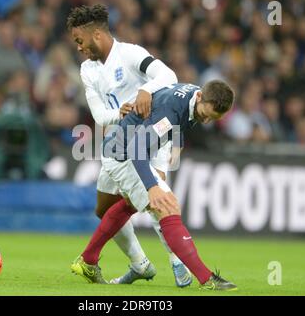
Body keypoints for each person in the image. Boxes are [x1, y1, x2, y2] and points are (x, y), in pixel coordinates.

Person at [67, 4, 192, 286]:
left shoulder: (131, 54)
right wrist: (121, 112)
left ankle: (179, 261)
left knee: (157, 196)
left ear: (96, 34)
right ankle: (140, 264)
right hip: (119, 142)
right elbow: (100, 115)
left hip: (154, 135)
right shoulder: (88, 70)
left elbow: (169, 76)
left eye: (79, 40)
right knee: (104, 208)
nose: (78, 47)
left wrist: (145, 90)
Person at [71, 80, 238, 291]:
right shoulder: (171, 111)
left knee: (131, 203)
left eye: (212, 119)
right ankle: (207, 279)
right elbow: (137, 148)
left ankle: (88, 260)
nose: (205, 121)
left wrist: (177, 144)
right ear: (199, 98)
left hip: (126, 147)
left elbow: (171, 125)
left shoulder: (196, 95)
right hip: (122, 154)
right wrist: (152, 186)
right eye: (206, 114)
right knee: (167, 205)